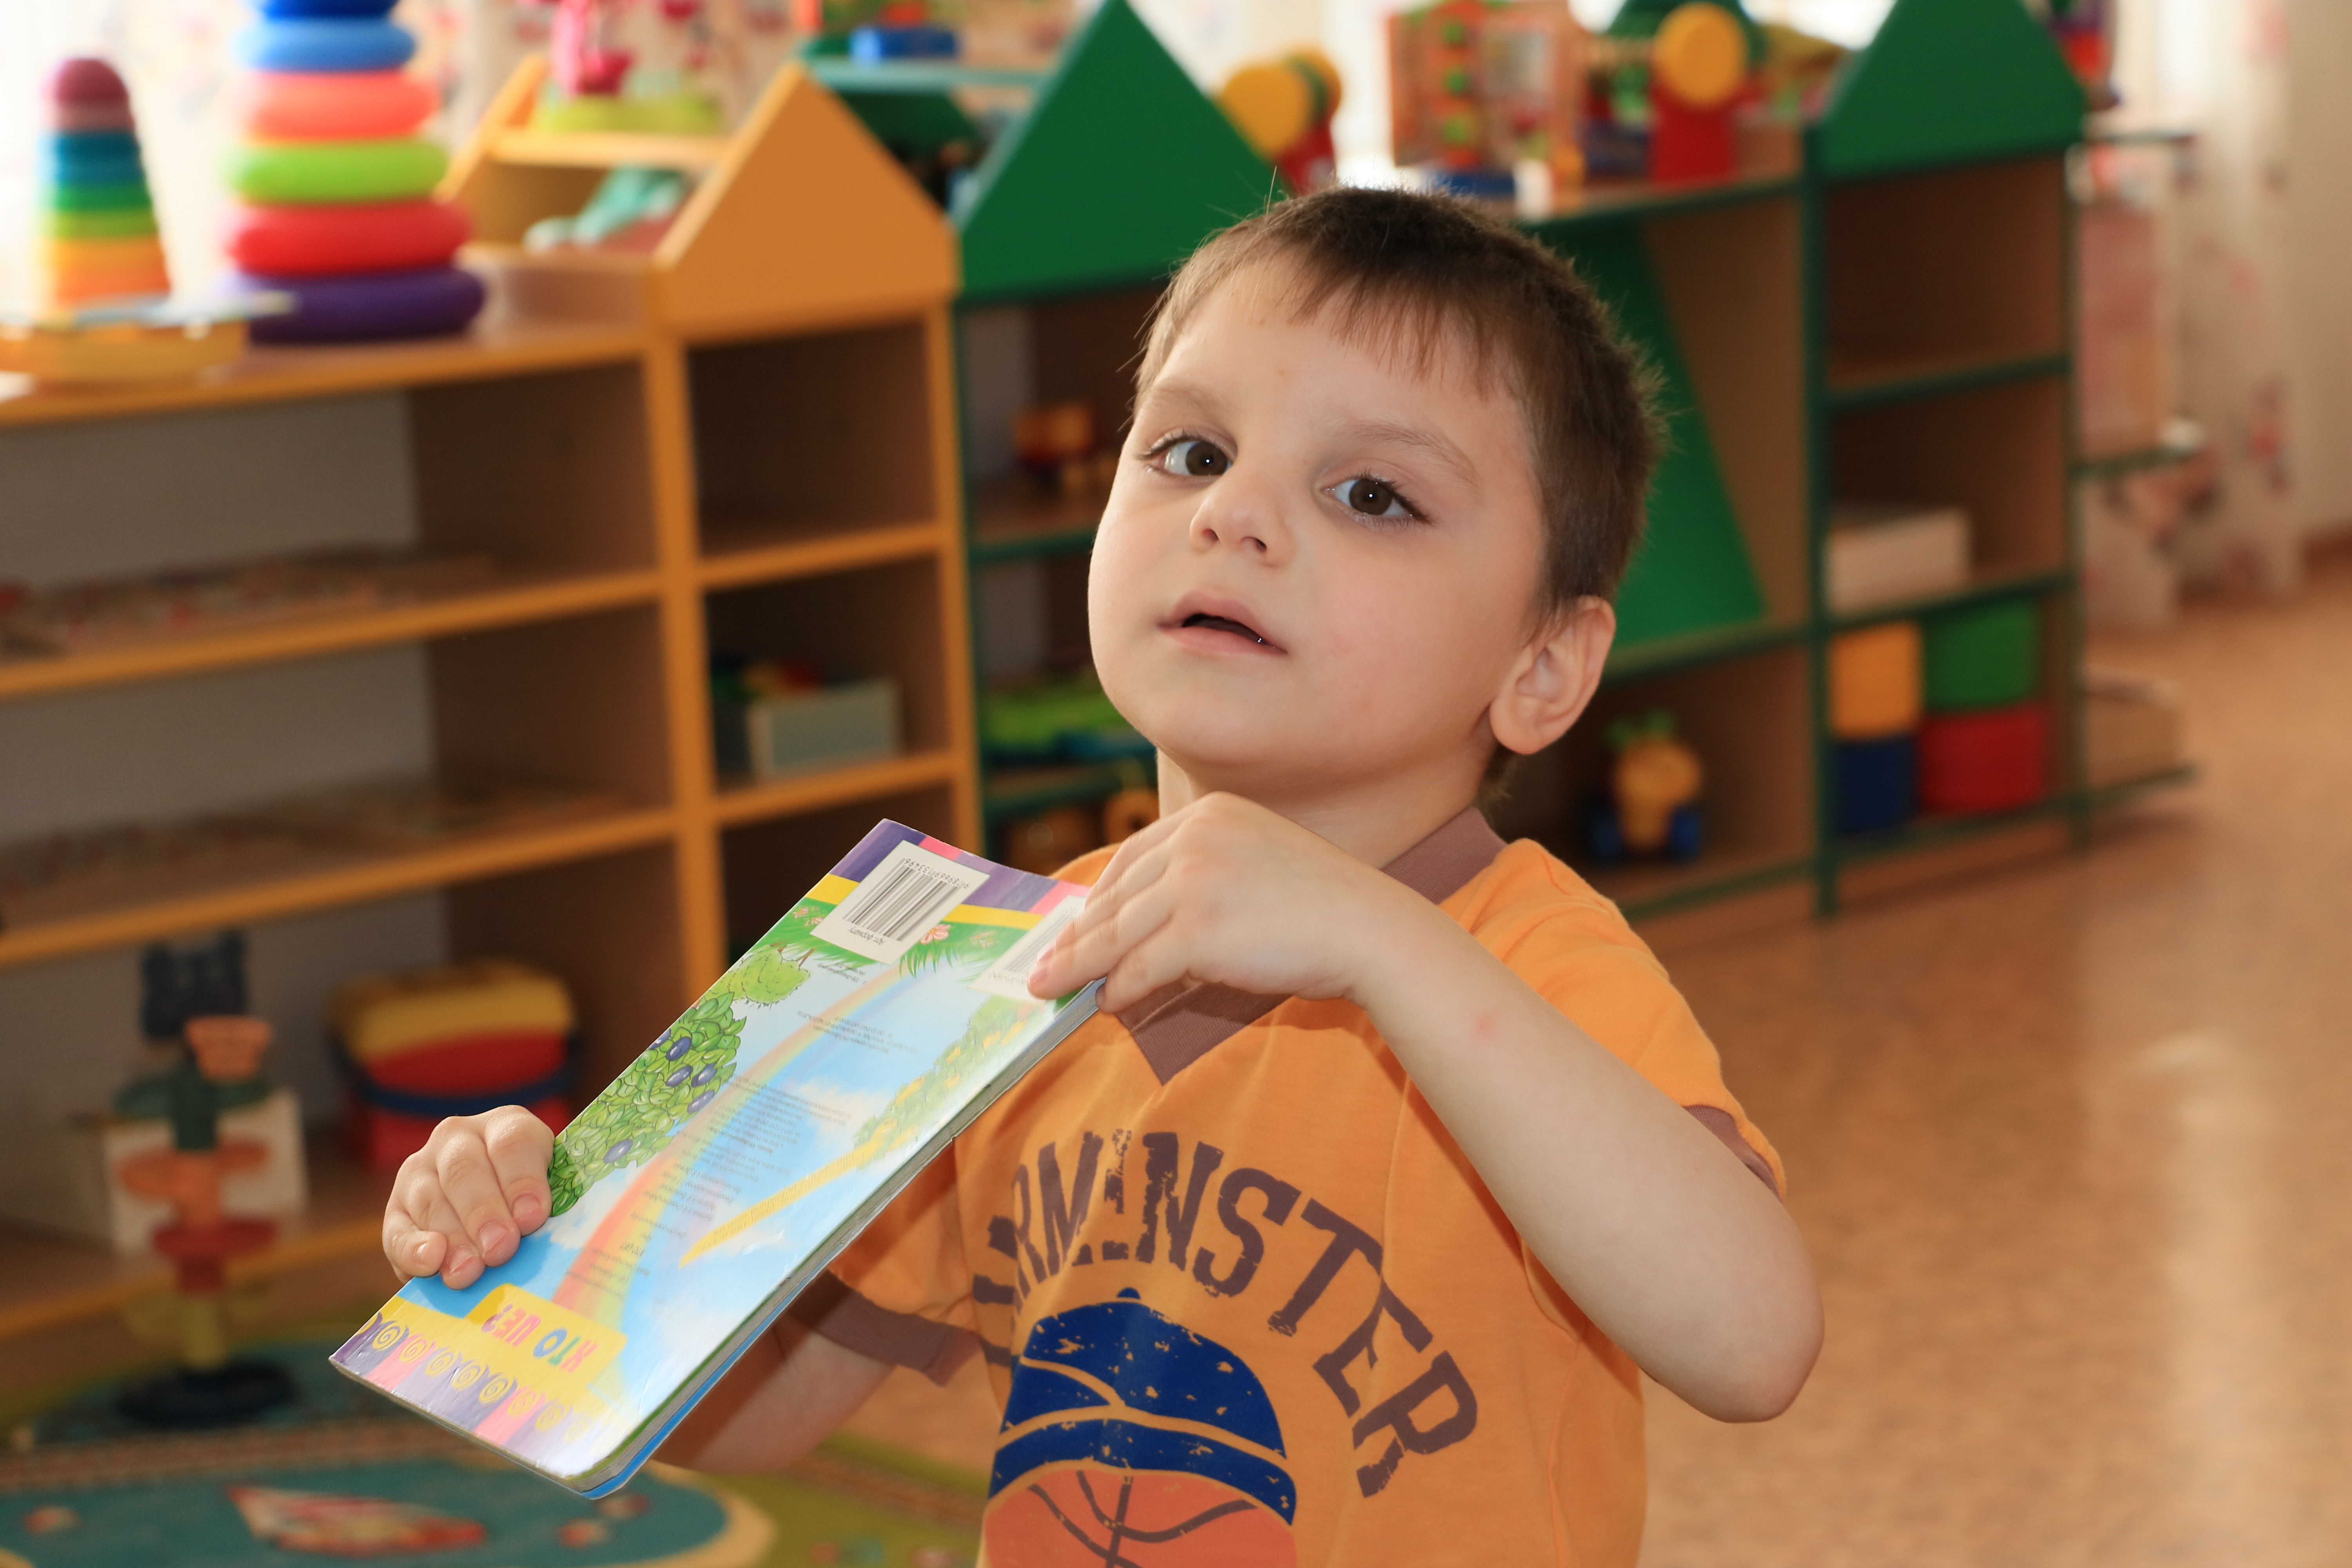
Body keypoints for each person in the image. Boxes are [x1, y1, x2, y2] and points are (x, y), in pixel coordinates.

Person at [379, 187, 1821, 1565]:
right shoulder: (1002, 976)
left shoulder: (1529, 965)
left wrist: (1386, 945)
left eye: (1373, 493)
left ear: (1545, 666)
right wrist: (525, 1249)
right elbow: (750, 1419)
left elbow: (1751, 1345)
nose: (1234, 514)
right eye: (1191, 452)